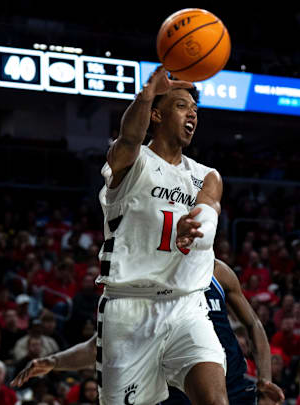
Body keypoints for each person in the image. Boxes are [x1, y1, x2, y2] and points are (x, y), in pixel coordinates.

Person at [94, 64, 225, 405]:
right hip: (129, 305)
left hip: (186, 305)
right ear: (156, 115)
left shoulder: (206, 174)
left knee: (215, 398)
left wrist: (195, 228)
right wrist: (147, 92)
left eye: (195, 110)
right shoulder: (131, 163)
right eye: (182, 106)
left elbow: (209, 207)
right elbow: (128, 139)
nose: (192, 115)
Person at [10, 260, 285, 405]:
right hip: (177, 392)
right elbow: (100, 346)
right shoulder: (142, 285)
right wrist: (54, 362)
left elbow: (254, 325)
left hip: (235, 386)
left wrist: (265, 379)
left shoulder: (218, 271)